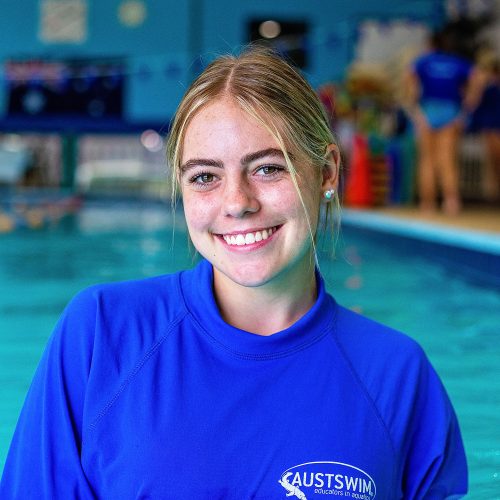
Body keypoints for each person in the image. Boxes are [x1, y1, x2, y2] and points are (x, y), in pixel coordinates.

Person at [1, 47, 467, 499]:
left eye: (267, 168)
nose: (238, 203)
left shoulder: (399, 375)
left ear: (326, 172)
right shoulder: (102, 333)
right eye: (205, 176)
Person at [405, 29, 474, 215]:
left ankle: (427, 204)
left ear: (431, 44)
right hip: (450, 111)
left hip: (427, 110)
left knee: (427, 159)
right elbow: (477, 80)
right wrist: (466, 110)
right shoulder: (458, 63)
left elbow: (410, 85)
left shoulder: (423, 61)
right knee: (446, 159)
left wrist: (415, 111)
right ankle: (451, 202)